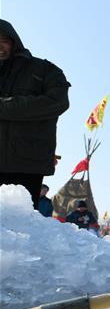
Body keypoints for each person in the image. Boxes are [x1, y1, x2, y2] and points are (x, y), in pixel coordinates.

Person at [0, 19, 70, 209]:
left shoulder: (44, 70)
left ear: (14, 42)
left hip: (26, 162)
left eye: (4, 41)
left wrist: (5, 107)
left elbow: (58, 102)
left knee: (19, 222)